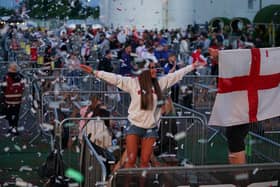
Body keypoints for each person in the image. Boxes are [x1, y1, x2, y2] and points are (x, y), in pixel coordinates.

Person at [80, 58, 204, 168]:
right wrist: (94, 72)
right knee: (131, 160)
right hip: (134, 126)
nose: (154, 70)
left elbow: (177, 75)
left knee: (145, 162)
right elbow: (115, 78)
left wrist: (192, 66)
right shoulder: (133, 83)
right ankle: (127, 183)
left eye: (155, 67)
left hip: (151, 129)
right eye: (151, 68)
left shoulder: (160, 83)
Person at [209, 48, 248, 164]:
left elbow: (230, 69)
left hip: (239, 115)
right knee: (233, 144)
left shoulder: (239, 77)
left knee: (236, 144)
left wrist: (220, 56)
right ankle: (239, 177)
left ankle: (242, 178)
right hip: (236, 114)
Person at [3, 63, 25, 135]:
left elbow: (3, 88)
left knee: (9, 113)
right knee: (16, 113)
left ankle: (11, 126)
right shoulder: (20, 76)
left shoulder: (6, 77)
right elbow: (23, 87)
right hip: (17, 99)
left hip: (8, 99)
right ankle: (15, 127)